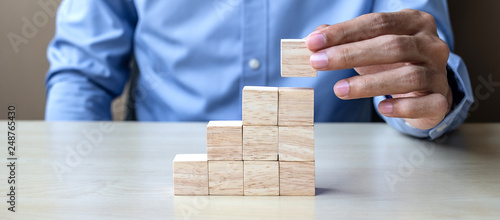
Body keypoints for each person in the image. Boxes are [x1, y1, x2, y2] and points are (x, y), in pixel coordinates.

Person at [45, 0, 473, 140]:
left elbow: (418, 61)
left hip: (338, 187)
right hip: (162, 183)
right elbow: (81, 75)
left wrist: (425, 102)